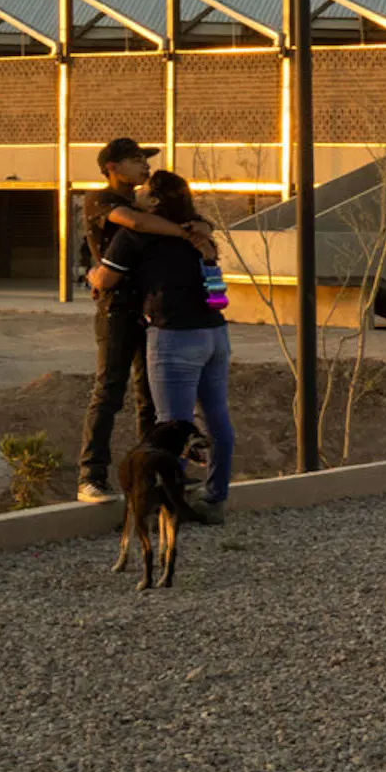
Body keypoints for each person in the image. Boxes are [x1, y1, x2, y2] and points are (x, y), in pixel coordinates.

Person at [73, 138, 214, 504]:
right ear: (113, 167)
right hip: (117, 308)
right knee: (108, 392)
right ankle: (91, 477)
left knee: (149, 399)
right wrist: (187, 233)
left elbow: (204, 224)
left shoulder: (151, 209)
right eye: (136, 160)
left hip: (151, 313)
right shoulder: (100, 200)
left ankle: (152, 476)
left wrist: (194, 227)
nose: (145, 167)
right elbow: (133, 222)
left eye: (145, 161)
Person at [98, 169, 234, 521]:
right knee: (216, 417)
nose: (137, 194)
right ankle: (216, 498)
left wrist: (92, 276)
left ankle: (170, 508)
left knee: (172, 425)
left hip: (174, 336)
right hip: (215, 333)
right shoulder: (198, 232)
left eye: (144, 191)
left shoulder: (136, 234)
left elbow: (107, 277)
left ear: (155, 201)